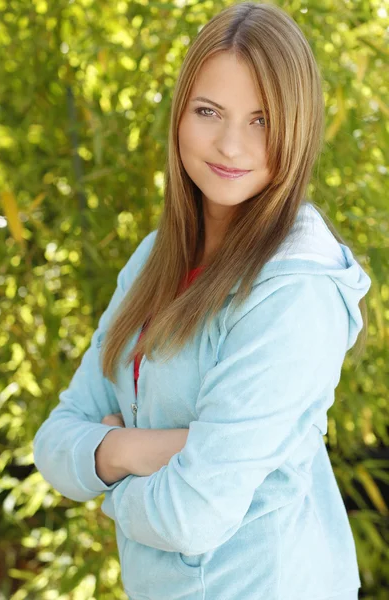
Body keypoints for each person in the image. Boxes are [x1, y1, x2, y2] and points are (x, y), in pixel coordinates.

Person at [33, 3, 371, 599]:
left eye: (261, 120)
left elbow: (192, 513)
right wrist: (149, 448)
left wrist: (107, 475)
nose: (230, 145)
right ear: (180, 115)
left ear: (298, 127)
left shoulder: (295, 291)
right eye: (208, 111)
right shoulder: (156, 258)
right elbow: (55, 441)